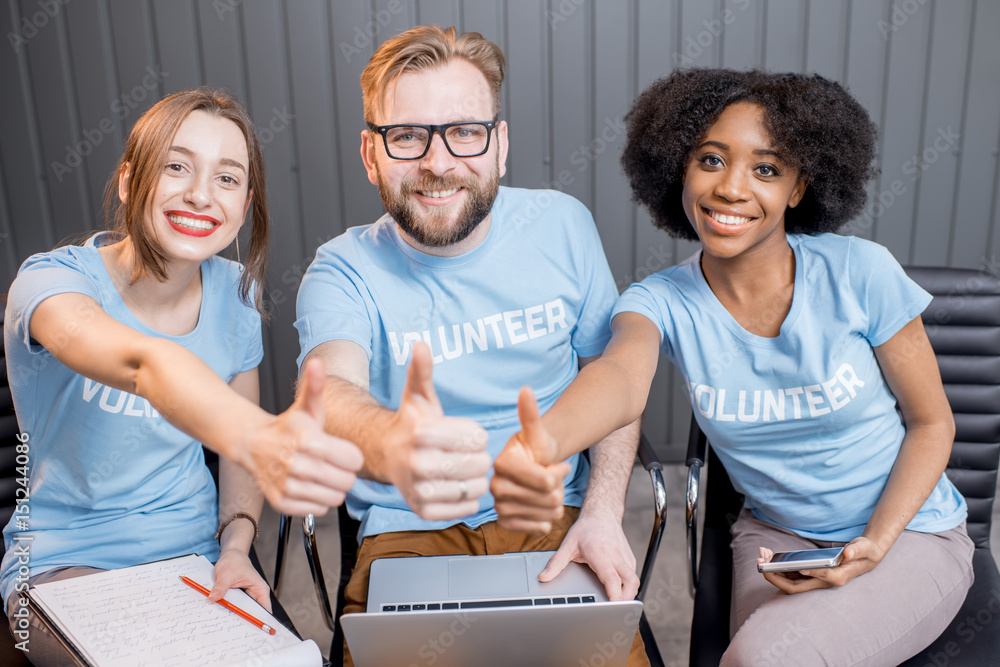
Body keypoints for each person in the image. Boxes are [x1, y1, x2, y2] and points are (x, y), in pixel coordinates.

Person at [492, 68, 975, 665]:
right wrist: (543, 442)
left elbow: (933, 425)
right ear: (679, 169)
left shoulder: (860, 273)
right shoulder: (658, 301)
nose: (731, 188)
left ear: (799, 189)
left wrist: (875, 541)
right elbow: (619, 378)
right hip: (778, 539)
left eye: (766, 169)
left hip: (909, 532)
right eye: (711, 160)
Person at [294, 25, 648, 666]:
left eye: (465, 131)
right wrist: (391, 440)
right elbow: (331, 393)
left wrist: (602, 513)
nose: (437, 162)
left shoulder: (562, 225)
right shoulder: (340, 270)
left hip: (554, 523)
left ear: (500, 144)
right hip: (407, 538)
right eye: (407, 137)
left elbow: (611, 379)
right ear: (371, 155)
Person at [1, 88, 363, 665]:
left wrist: (238, 546)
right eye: (176, 166)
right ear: (128, 182)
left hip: (193, 556)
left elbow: (236, 458)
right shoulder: (48, 287)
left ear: (244, 206)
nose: (200, 194)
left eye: (227, 178)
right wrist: (261, 434)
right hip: (63, 559)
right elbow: (146, 365)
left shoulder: (236, 295)